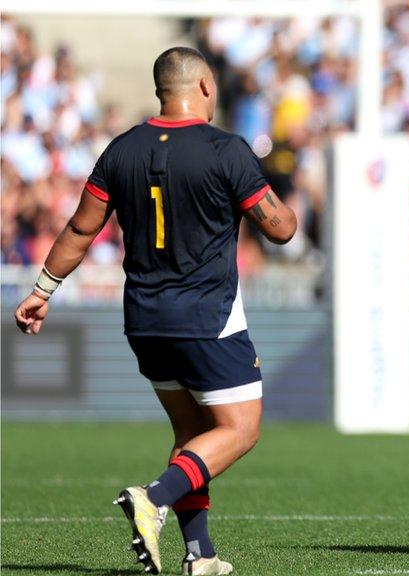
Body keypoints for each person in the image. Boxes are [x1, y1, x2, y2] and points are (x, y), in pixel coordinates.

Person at [13, 47, 296, 576]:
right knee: (240, 430)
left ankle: (201, 555)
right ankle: (155, 497)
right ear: (207, 87)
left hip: (144, 319)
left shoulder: (121, 150)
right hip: (207, 317)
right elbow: (279, 229)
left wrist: (42, 289)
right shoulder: (226, 149)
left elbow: (81, 228)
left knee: (191, 433)